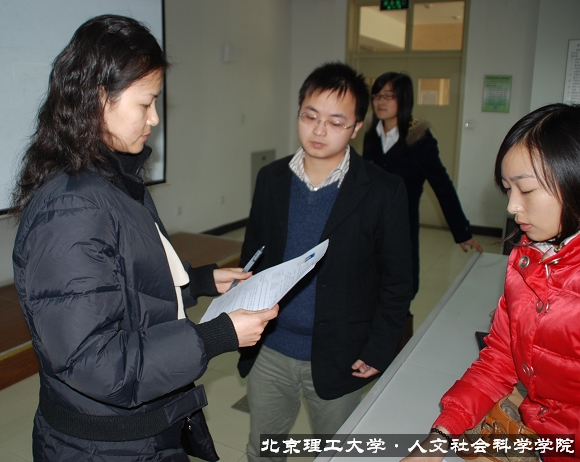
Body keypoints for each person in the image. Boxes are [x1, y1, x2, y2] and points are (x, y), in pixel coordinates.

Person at [10, 15, 277, 461]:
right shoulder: (72, 210)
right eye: (146, 103)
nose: (154, 118)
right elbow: (94, 361)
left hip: (134, 435)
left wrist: (201, 282)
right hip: (105, 447)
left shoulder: (108, 180)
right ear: (99, 99)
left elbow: (124, 284)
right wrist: (217, 336)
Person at [237, 62, 414, 461]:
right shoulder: (271, 178)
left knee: (339, 453)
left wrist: (380, 347)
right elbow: (254, 258)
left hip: (342, 354)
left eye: (335, 122)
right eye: (310, 117)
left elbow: (398, 280)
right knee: (264, 451)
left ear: (356, 127)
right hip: (270, 348)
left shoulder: (383, 190)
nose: (319, 131)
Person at [404, 103, 580, 462]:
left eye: (526, 190)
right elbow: (500, 359)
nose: (512, 207)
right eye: (507, 189)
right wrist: (440, 437)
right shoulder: (528, 260)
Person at [363, 72, 482, 297]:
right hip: (370, 224)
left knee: (402, 283)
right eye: (376, 96)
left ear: (404, 98)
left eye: (389, 96)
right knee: (369, 280)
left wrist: (462, 231)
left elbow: (442, 185)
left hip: (402, 225)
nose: (380, 102)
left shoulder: (419, 140)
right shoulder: (371, 135)